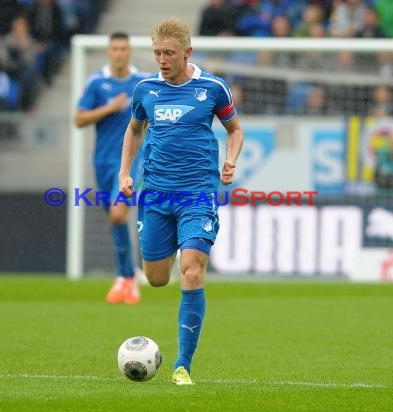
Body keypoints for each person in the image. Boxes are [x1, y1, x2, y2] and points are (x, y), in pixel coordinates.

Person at [118, 17, 244, 385]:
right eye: (157, 53)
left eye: (168, 53)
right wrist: (124, 173)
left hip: (198, 194)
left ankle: (182, 365)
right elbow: (134, 129)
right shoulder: (145, 90)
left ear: (187, 52)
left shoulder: (213, 88)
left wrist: (231, 159)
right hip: (155, 195)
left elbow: (235, 129)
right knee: (156, 278)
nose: (162, 59)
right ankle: (170, 248)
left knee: (191, 269)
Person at [74, 32, 147, 305]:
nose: (119, 53)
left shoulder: (142, 82)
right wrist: (109, 108)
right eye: (115, 48)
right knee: (114, 219)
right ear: (109, 52)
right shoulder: (96, 83)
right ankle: (127, 276)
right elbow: (79, 119)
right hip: (103, 161)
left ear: (129, 52)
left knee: (118, 214)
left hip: (131, 161)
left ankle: (126, 274)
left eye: (123, 48)